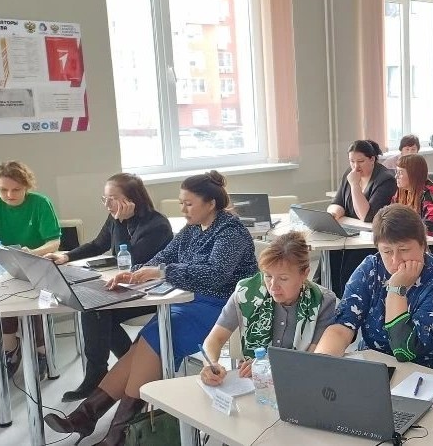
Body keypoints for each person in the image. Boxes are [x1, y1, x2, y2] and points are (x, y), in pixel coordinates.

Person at [43, 171, 258, 445]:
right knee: (145, 344)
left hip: (222, 307)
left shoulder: (230, 232)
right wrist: (135, 273)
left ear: (211, 204)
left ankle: (113, 431)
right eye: (181, 203)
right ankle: (91, 418)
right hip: (189, 301)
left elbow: (215, 275)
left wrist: (162, 272)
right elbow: (162, 258)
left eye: (188, 204)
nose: (183, 209)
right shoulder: (193, 229)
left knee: (153, 341)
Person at [44, 173, 174, 402]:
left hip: (151, 293)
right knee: (95, 311)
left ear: (131, 199)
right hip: (127, 287)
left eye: (112, 199)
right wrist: (66, 256)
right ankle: (113, 369)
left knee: (97, 311)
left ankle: (109, 372)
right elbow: (98, 244)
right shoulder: (115, 218)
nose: (107, 204)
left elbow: (132, 262)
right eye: (104, 198)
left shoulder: (157, 225)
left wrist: (121, 222)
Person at [314, 205, 433, 374]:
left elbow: (405, 350)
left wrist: (396, 289)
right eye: (386, 251)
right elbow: (341, 328)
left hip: (431, 374)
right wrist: (320, 368)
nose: (396, 260)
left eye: (404, 250)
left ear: (423, 245)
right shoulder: (371, 269)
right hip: (376, 367)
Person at [199, 231, 337, 386]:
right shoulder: (246, 292)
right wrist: (211, 364)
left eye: (283, 278)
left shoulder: (323, 301)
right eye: (268, 276)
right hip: (250, 384)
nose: (273, 286)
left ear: (305, 273)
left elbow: (315, 358)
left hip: (299, 383)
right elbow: (214, 339)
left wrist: (267, 366)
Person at [0, 161, 61, 379]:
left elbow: (54, 242)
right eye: (3, 189)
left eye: (16, 189)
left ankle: (41, 351)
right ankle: (10, 346)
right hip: (6, 265)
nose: (9, 195)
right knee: (2, 296)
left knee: (35, 300)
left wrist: (32, 252)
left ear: (27, 187)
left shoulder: (40, 203)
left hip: (38, 262)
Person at [325, 139, 398, 299]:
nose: (355, 167)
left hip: (370, 238)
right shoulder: (350, 174)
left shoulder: (385, 179)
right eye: (352, 161)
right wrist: (333, 214)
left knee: (349, 262)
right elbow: (338, 203)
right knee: (331, 254)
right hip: (351, 233)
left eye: (360, 161)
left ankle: (349, 297)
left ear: (372, 159)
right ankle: (331, 297)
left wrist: (355, 186)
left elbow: (367, 215)